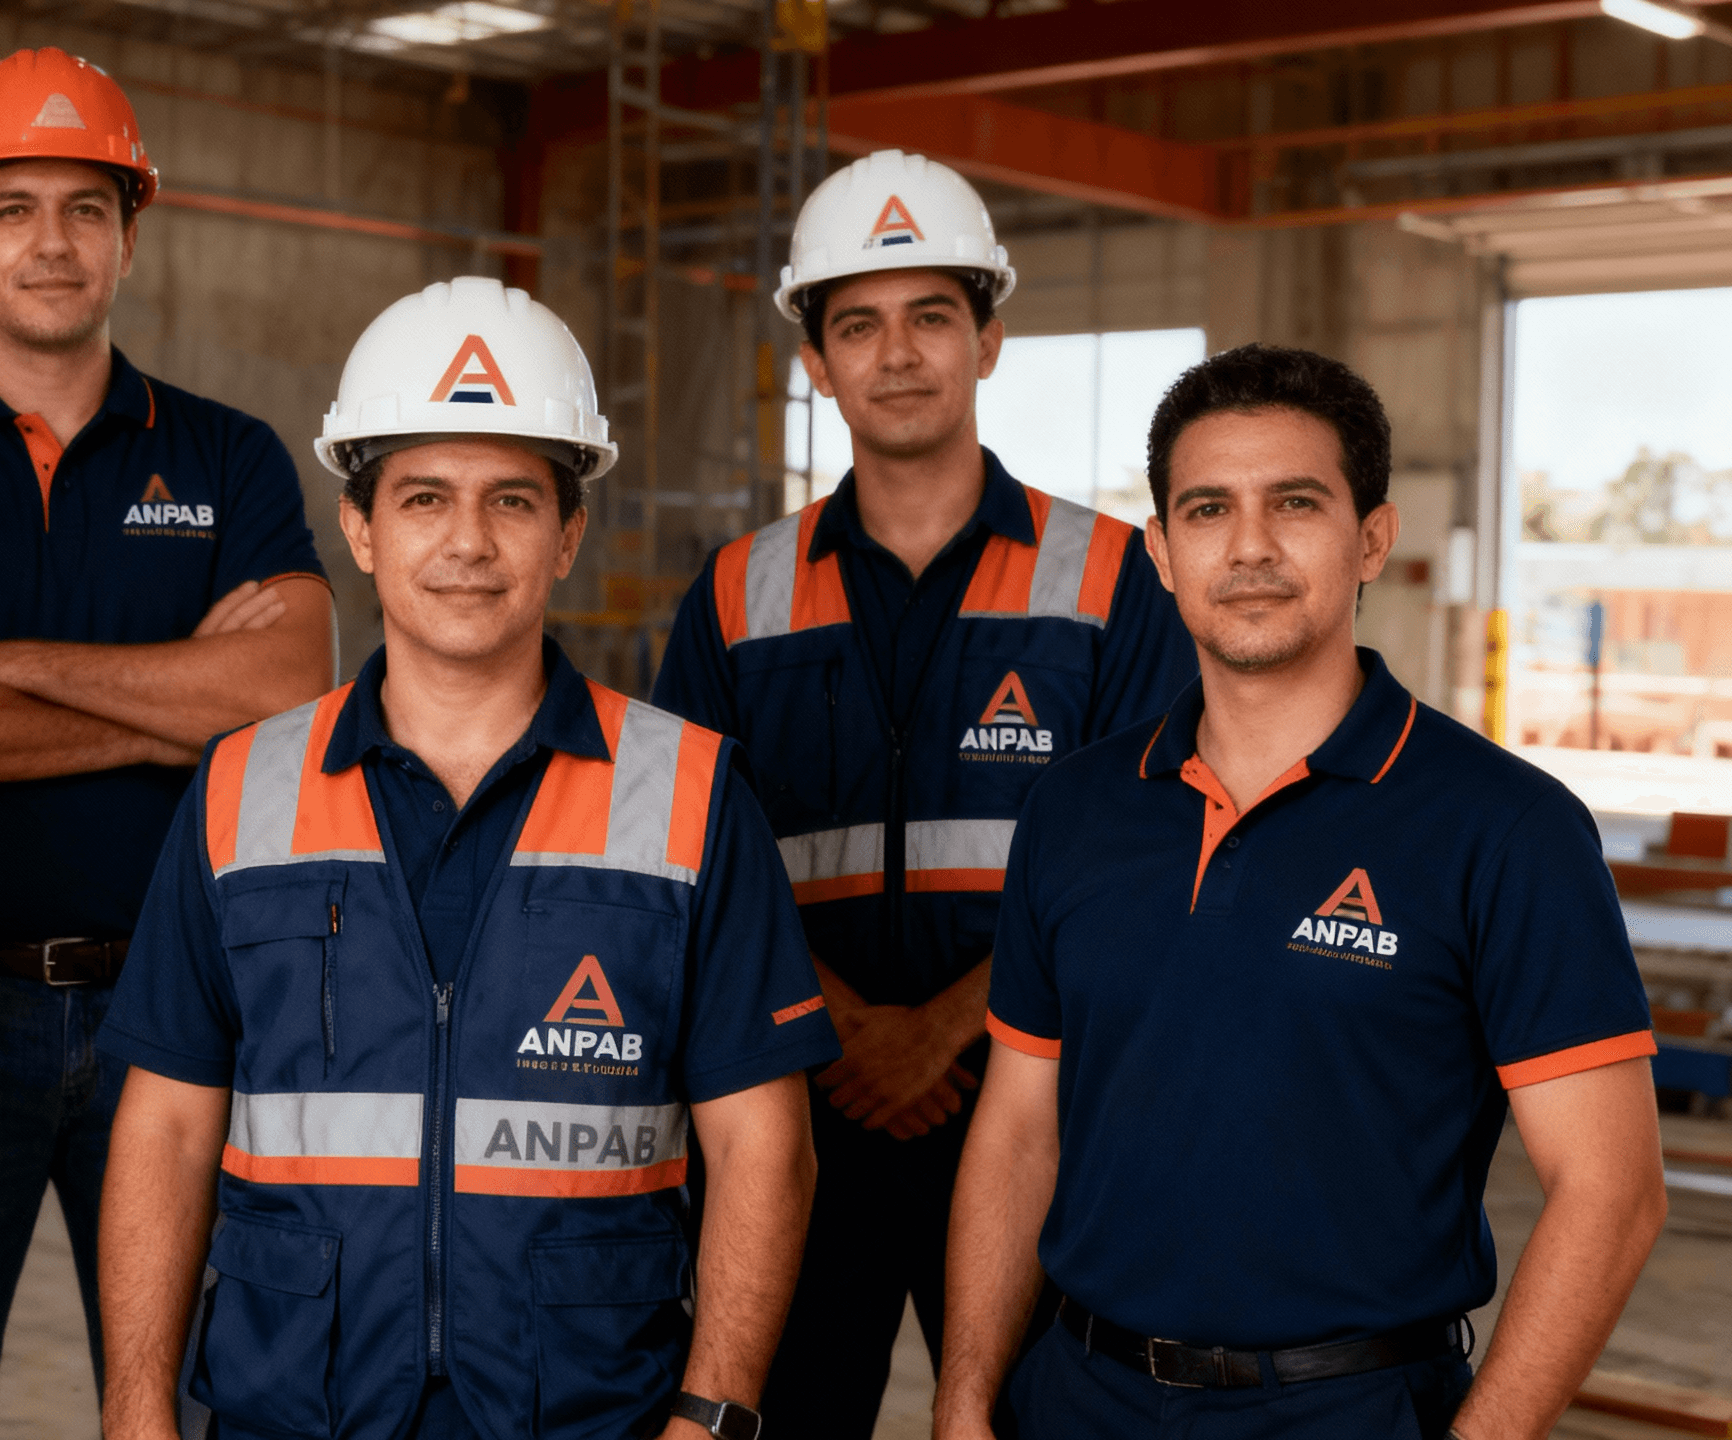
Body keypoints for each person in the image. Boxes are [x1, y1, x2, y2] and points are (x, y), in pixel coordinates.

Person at [95, 276, 838, 1440]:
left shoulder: (690, 797)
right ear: (360, 528)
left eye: (512, 501)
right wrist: (135, 1410)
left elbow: (763, 1144)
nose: (467, 544)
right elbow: (167, 1124)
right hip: (293, 1410)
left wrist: (713, 1413)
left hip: (593, 1415)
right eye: (424, 497)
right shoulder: (242, 790)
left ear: (567, 533)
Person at [936, 344, 1667, 1440]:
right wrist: (962, 1400)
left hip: (1350, 1409)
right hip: (1075, 1398)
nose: (1250, 548)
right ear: (1161, 553)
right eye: (1206, 510)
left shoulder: (1505, 828)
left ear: (1371, 536)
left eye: (1294, 503)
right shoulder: (1076, 810)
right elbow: (1016, 1130)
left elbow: (1611, 1193)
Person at [0, 47, 334, 1438]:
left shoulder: (229, 458)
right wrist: (171, 710)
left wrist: (2, 665)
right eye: (13, 207)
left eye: (86, 208)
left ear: (130, 240)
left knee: (202, 1402)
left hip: (185, 1003)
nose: (51, 241)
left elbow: (286, 691)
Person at [649, 148, 1197, 1435]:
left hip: (1032, 1119)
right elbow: (681, 862)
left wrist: (946, 1032)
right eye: (858, 324)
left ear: (989, 340)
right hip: (794, 1124)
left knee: (1031, 1419)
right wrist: (842, 1031)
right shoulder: (734, 598)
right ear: (815, 362)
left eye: (931, 316)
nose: (897, 354)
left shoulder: (1115, 580)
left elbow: (1152, 855)